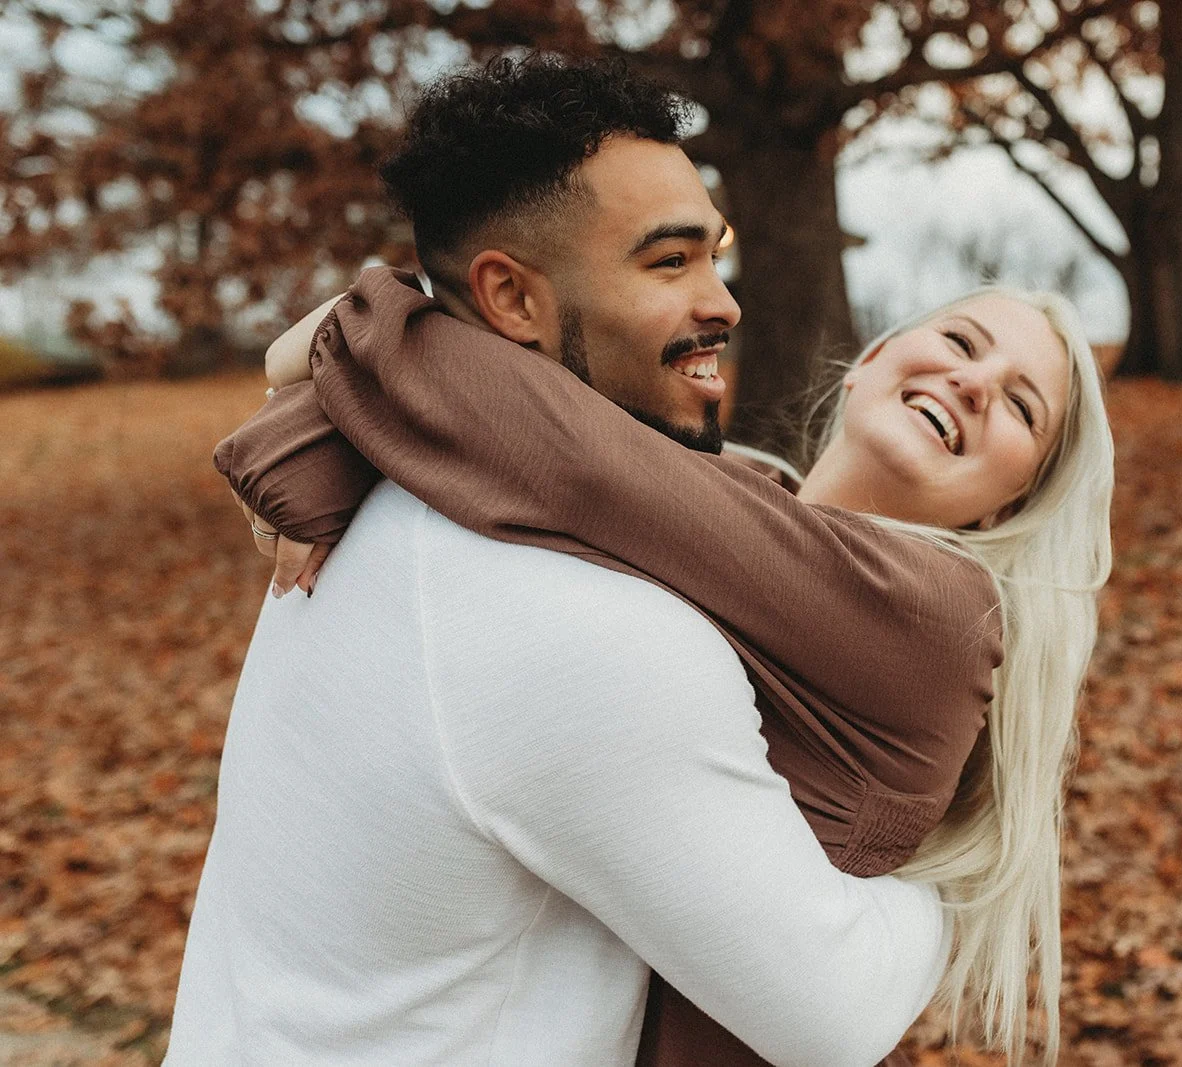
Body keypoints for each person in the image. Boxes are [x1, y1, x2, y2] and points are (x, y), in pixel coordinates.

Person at [167, 56, 965, 1067]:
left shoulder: (389, 485)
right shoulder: (575, 624)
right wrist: (968, 852)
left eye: (714, 256)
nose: (722, 302)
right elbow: (835, 1013)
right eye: (668, 263)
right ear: (512, 299)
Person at [221, 271, 1113, 1067]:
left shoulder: (940, 614)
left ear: (1014, 500)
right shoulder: (737, 504)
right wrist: (334, 422)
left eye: (1023, 406)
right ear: (870, 359)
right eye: (962, 342)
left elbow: (567, 459)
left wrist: (362, 330)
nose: (972, 381)